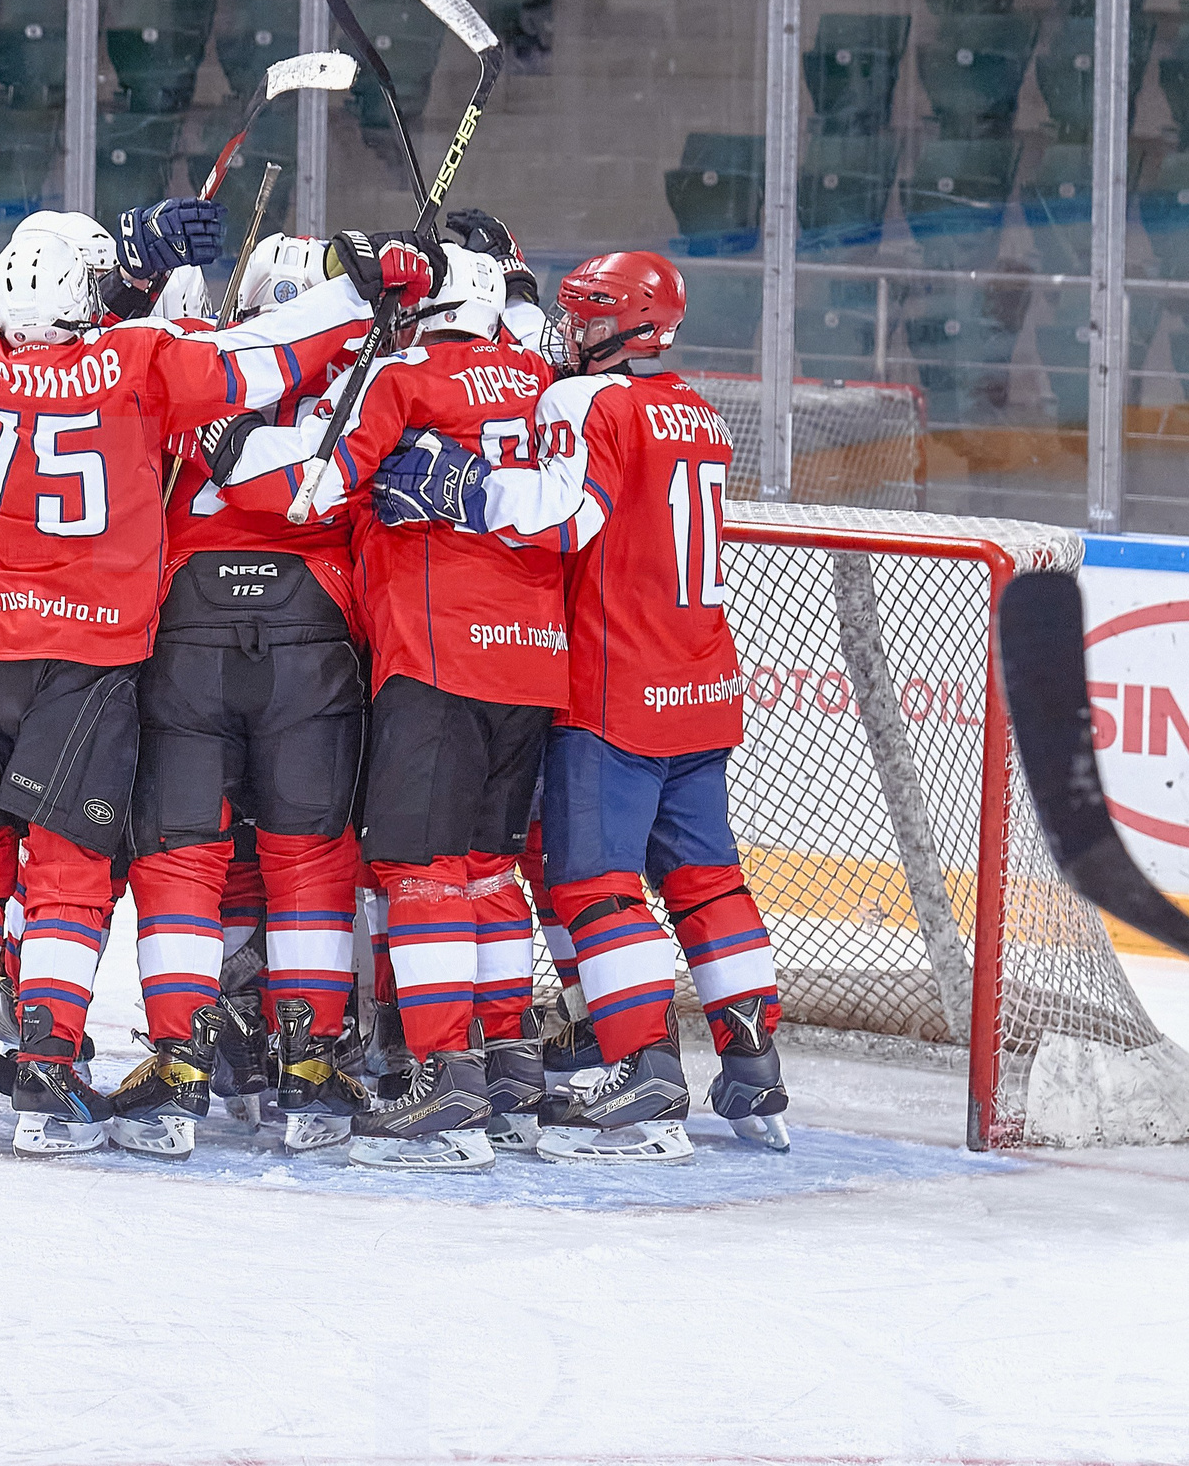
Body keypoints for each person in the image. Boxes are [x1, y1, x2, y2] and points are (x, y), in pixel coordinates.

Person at [0, 192, 382, 1155]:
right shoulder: (137, 359)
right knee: (69, 875)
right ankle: (48, 1067)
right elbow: (264, 359)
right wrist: (356, 292)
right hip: (85, 664)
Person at [369, 249, 789, 1161]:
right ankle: (752, 1061)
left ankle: (644, 1072)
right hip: (703, 680)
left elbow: (567, 516)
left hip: (617, 684)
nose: (570, 330)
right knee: (708, 876)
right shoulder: (702, 410)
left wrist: (461, 487)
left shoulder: (587, 400)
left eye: (584, 315)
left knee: (594, 882)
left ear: (618, 323)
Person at [198, 230, 567, 1172]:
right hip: (535, 662)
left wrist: (232, 446)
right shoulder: (541, 377)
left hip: (438, 654)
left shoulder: (403, 379)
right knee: (488, 870)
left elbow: (313, 488)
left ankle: (444, 1083)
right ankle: (505, 1070)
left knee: (421, 870)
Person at [111, 234, 373, 1158]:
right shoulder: (365, 377)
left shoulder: (198, 363)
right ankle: (309, 1066)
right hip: (314, 634)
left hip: (186, 628)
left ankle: (181, 1063)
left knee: (182, 856)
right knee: (310, 858)